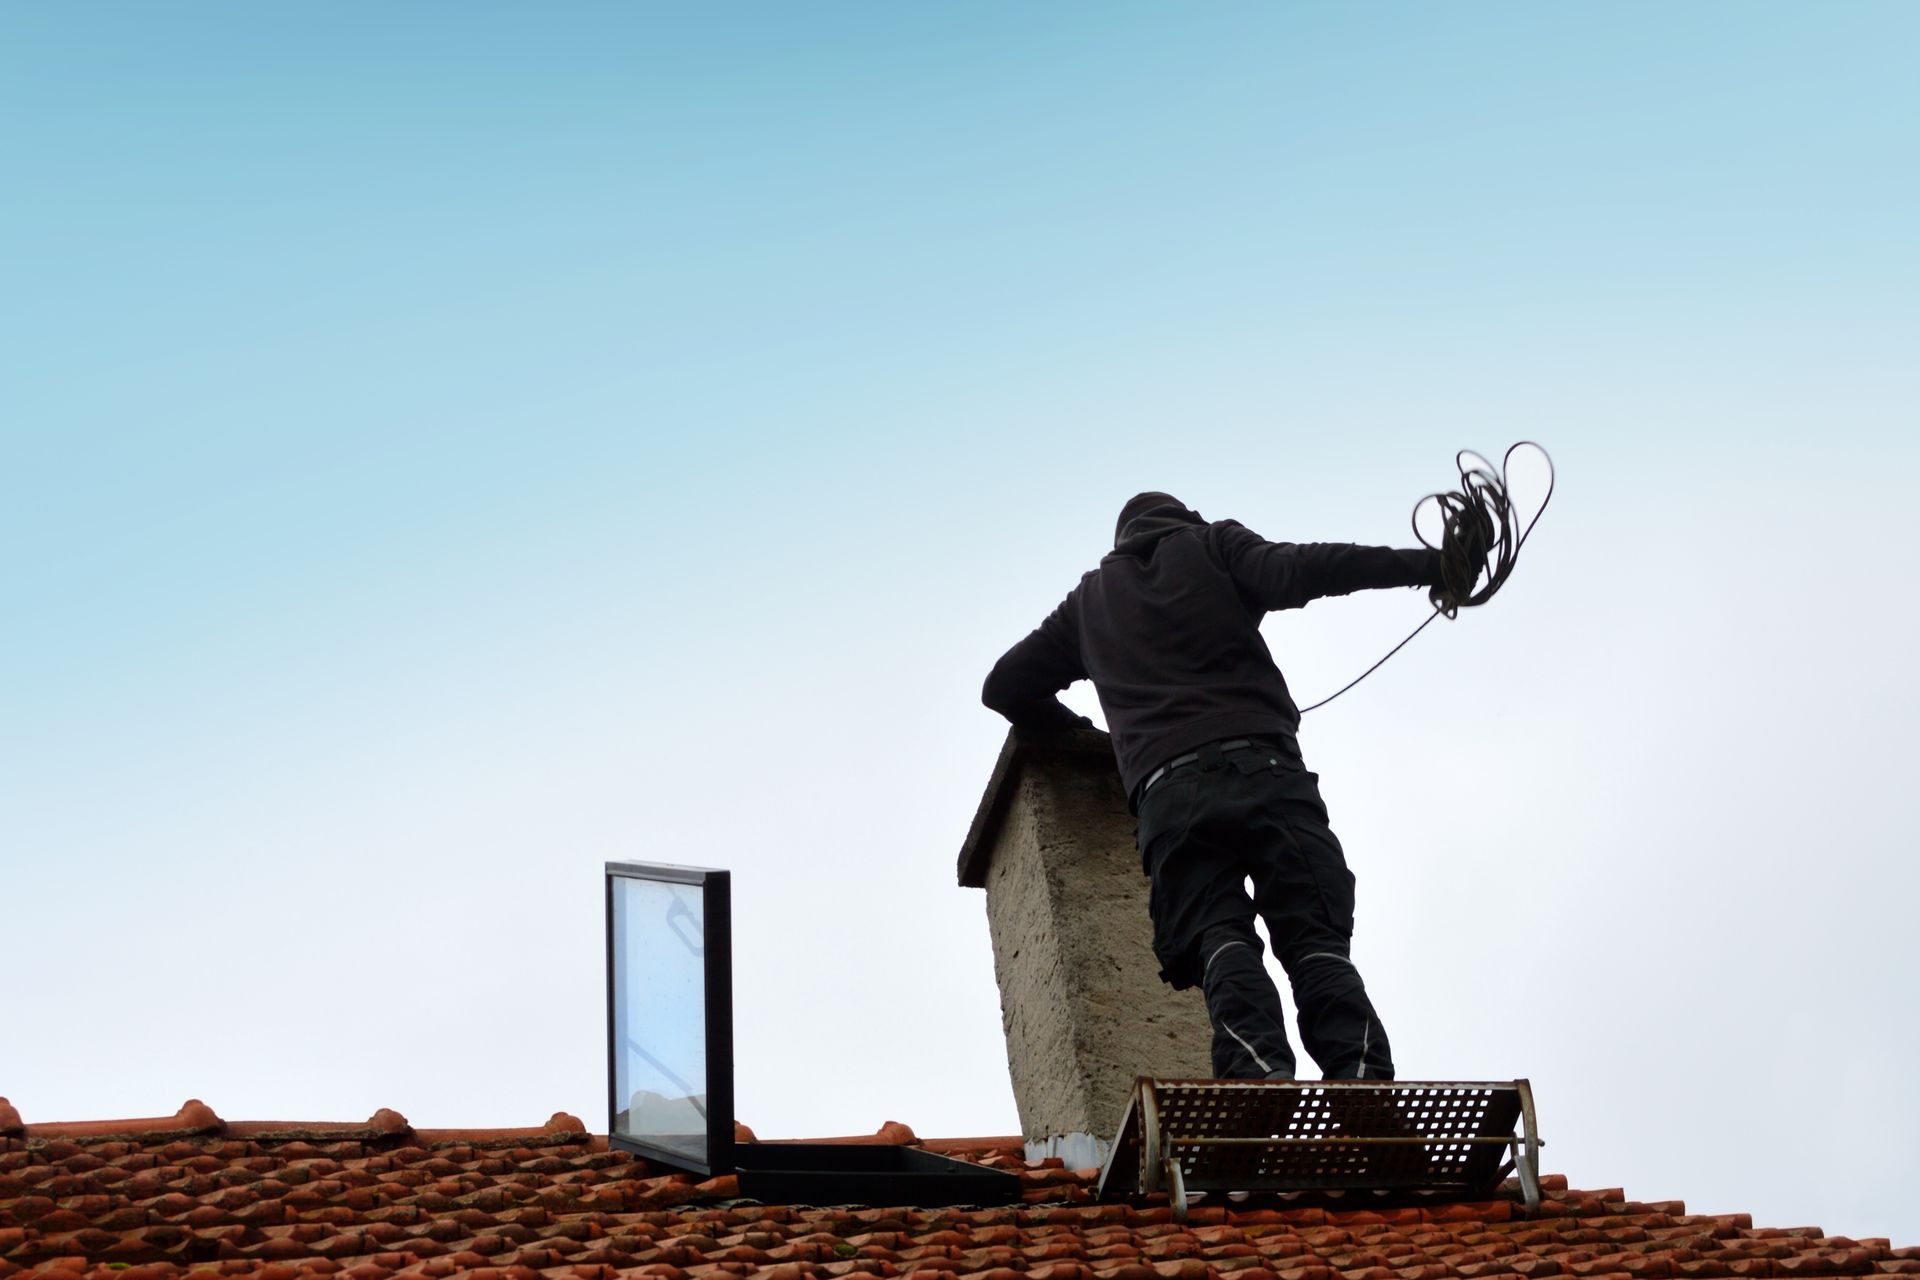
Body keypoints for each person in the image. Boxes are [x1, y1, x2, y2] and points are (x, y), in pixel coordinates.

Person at [981, 491, 1455, 1081]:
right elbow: (1310, 567)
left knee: (1220, 938)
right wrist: (1431, 566)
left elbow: (1004, 687)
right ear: (1187, 518)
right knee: (1314, 940)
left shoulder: (1088, 604)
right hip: (1267, 774)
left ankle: (1256, 1076)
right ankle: (1362, 1085)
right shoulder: (1212, 545)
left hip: (1168, 798)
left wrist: (1075, 730)